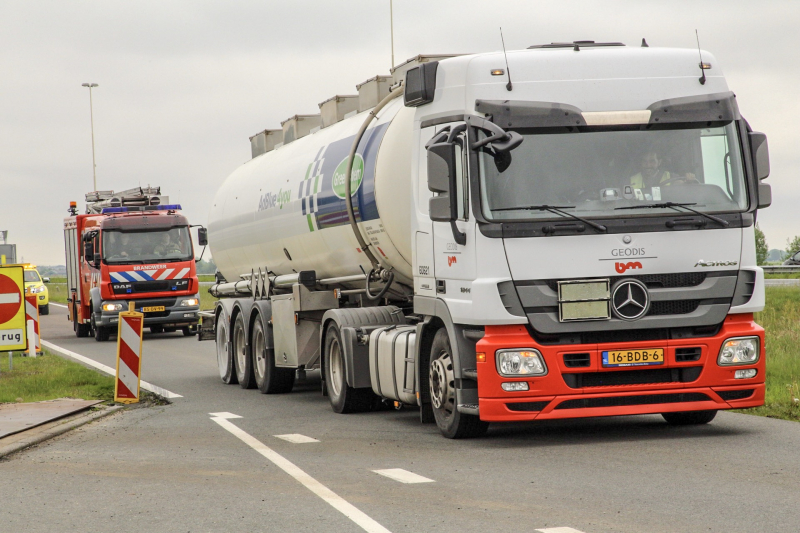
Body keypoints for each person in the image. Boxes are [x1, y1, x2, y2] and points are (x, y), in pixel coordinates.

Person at [629, 150, 697, 189]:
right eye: (644, 161)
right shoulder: (631, 180)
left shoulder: (672, 177)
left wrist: (688, 182)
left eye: (652, 161)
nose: (648, 165)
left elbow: (681, 187)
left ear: (659, 162)